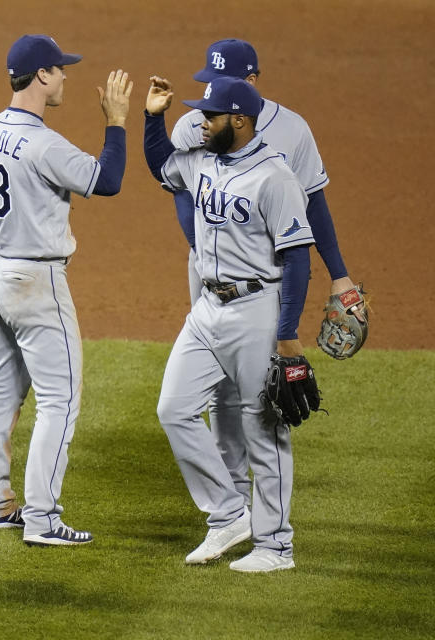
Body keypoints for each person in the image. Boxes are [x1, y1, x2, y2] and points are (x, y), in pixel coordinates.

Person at [0, 34, 132, 546]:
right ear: (42, 76)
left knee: (1, 389)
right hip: (35, 282)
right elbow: (109, 180)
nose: (67, 76)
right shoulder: (43, 142)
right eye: (60, 69)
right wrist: (115, 121)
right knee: (60, 400)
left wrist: (13, 222)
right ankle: (43, 519)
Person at [168, 40, 361, 511]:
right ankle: (231, 495)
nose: (207, 93)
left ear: (250, 84)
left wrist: (339, 275)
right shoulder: (196, 123)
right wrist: (200, 247)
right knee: (214, 389)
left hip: (262, 280)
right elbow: (178, 184)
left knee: (259, 399)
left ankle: (270, 531)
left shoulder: (291, 132)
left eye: (219, 83)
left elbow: (313, 204)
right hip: (211, 271)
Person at [144, 75, 314, 572]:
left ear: (239, 120)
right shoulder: (202, 159)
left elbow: (297, 257)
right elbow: (161, 166)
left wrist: (287, 334)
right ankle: (227, 514)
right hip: (207, 308)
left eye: (210, 115)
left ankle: (276, 546)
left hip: (257, 309)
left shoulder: (275, 176)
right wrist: (153, 117)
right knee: (174, 409)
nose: (201, 121)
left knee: (264, 427)